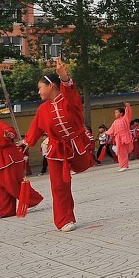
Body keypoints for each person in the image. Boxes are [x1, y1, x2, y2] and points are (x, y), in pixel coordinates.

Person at [23, 58, 92, 232]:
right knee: (59, 186)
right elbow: (34, 131)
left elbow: (71, 94)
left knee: (80, 167)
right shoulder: (42, 109)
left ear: (50, 86)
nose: (38, 92)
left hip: (76, 145)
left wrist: (65, 78)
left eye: (40, 88)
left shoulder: (70, 102)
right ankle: (64, 219)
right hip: (56, 150)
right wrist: (25, 144)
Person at [0, 104, 42, 219]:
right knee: (1, 186)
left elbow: (10, 131)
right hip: (0, 158)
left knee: (12, 183)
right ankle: (6, 210)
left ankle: (33, 200)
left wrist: (9, 134)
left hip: (8, 158)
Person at [109, 104, 135, 171]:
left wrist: (128, 107)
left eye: (116, 112)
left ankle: (124, 164)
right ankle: (123, 165)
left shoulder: (125, 119)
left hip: (125, 136)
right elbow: (112, 130)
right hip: (118, 138)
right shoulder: (115, 122)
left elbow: (128, 114)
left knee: (125, 151)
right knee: (121, 152)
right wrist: (107, 133)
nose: (115, 114)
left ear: (121, 113)